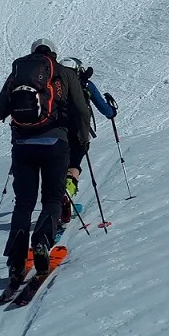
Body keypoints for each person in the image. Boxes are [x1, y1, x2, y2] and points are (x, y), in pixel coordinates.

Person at [0, 38, 89, 285]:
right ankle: (43, 242)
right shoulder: (64, 73)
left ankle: (15, 261)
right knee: (52, 198)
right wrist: (82, 139)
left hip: (22, 146)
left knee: (23, 204)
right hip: (56, 143)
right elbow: (81, 109)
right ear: (54, 54)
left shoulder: (17, 74)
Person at [57, 57, 117, 225]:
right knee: (74, 162)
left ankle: (55, 199)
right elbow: (103, 108)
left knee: (57, 164)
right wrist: (111, 111)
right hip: (78, 131)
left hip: (55, 130)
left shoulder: (54, 86)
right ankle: (68, 190)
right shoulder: (85, 85)